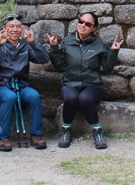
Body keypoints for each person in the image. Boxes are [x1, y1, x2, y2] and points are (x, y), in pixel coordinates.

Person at [0, 14, 50, 152]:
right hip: (1, 87)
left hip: (21, 86)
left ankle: (36, 135)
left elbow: (43, 59)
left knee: (34, 96)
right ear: (4, 28)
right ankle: (4, 138)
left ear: (22, 29)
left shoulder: (25, 46)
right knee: (10, 97)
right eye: (11, 27)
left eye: (18, 27)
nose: (15, 30)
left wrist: (34, 43)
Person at [46, 12, 123, 149]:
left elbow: (106, 68)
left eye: (87, 24)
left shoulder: (98, 44)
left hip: (93, 84)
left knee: (84, 98)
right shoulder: (67, 42)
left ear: (94, 28)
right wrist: (54, 48)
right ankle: (66, 130)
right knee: (71, 98)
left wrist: (113, 52)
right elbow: (59, 65)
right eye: (81, 21)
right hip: (70, 83)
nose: (82, 25)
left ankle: (97, 131)